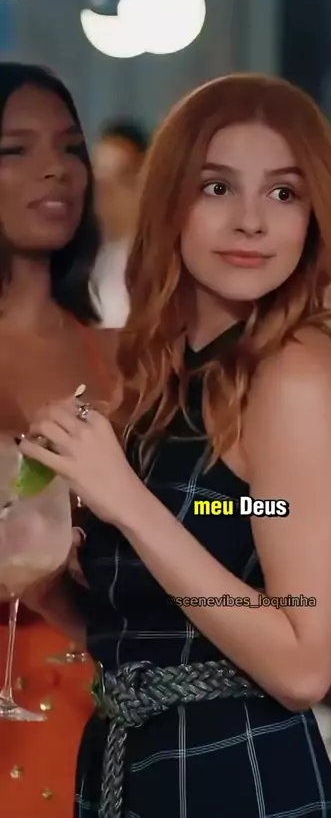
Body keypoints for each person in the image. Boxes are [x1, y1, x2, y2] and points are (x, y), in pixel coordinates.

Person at [20, 73, 331, 818]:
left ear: (314, 216)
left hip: (240, 778)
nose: (251, 221)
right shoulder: (166, 373)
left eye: (284, 193)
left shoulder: (297, 374)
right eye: (217, 188)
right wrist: (44, 583)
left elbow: (304, 666)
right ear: (169, 202)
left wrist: (127, 501)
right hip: (128, 768)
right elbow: (153, 636)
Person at [0, 62, 118, 818]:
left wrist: (281, 514)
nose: (56, 168)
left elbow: (212, 510)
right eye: (14, 149)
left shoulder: (125, 357)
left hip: (99, 701)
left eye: (71, 147)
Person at [90, 119, 149, 328]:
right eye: (99, 181)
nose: (106, 193)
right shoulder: (84, 267)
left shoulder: (166, 266)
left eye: (120, 179)